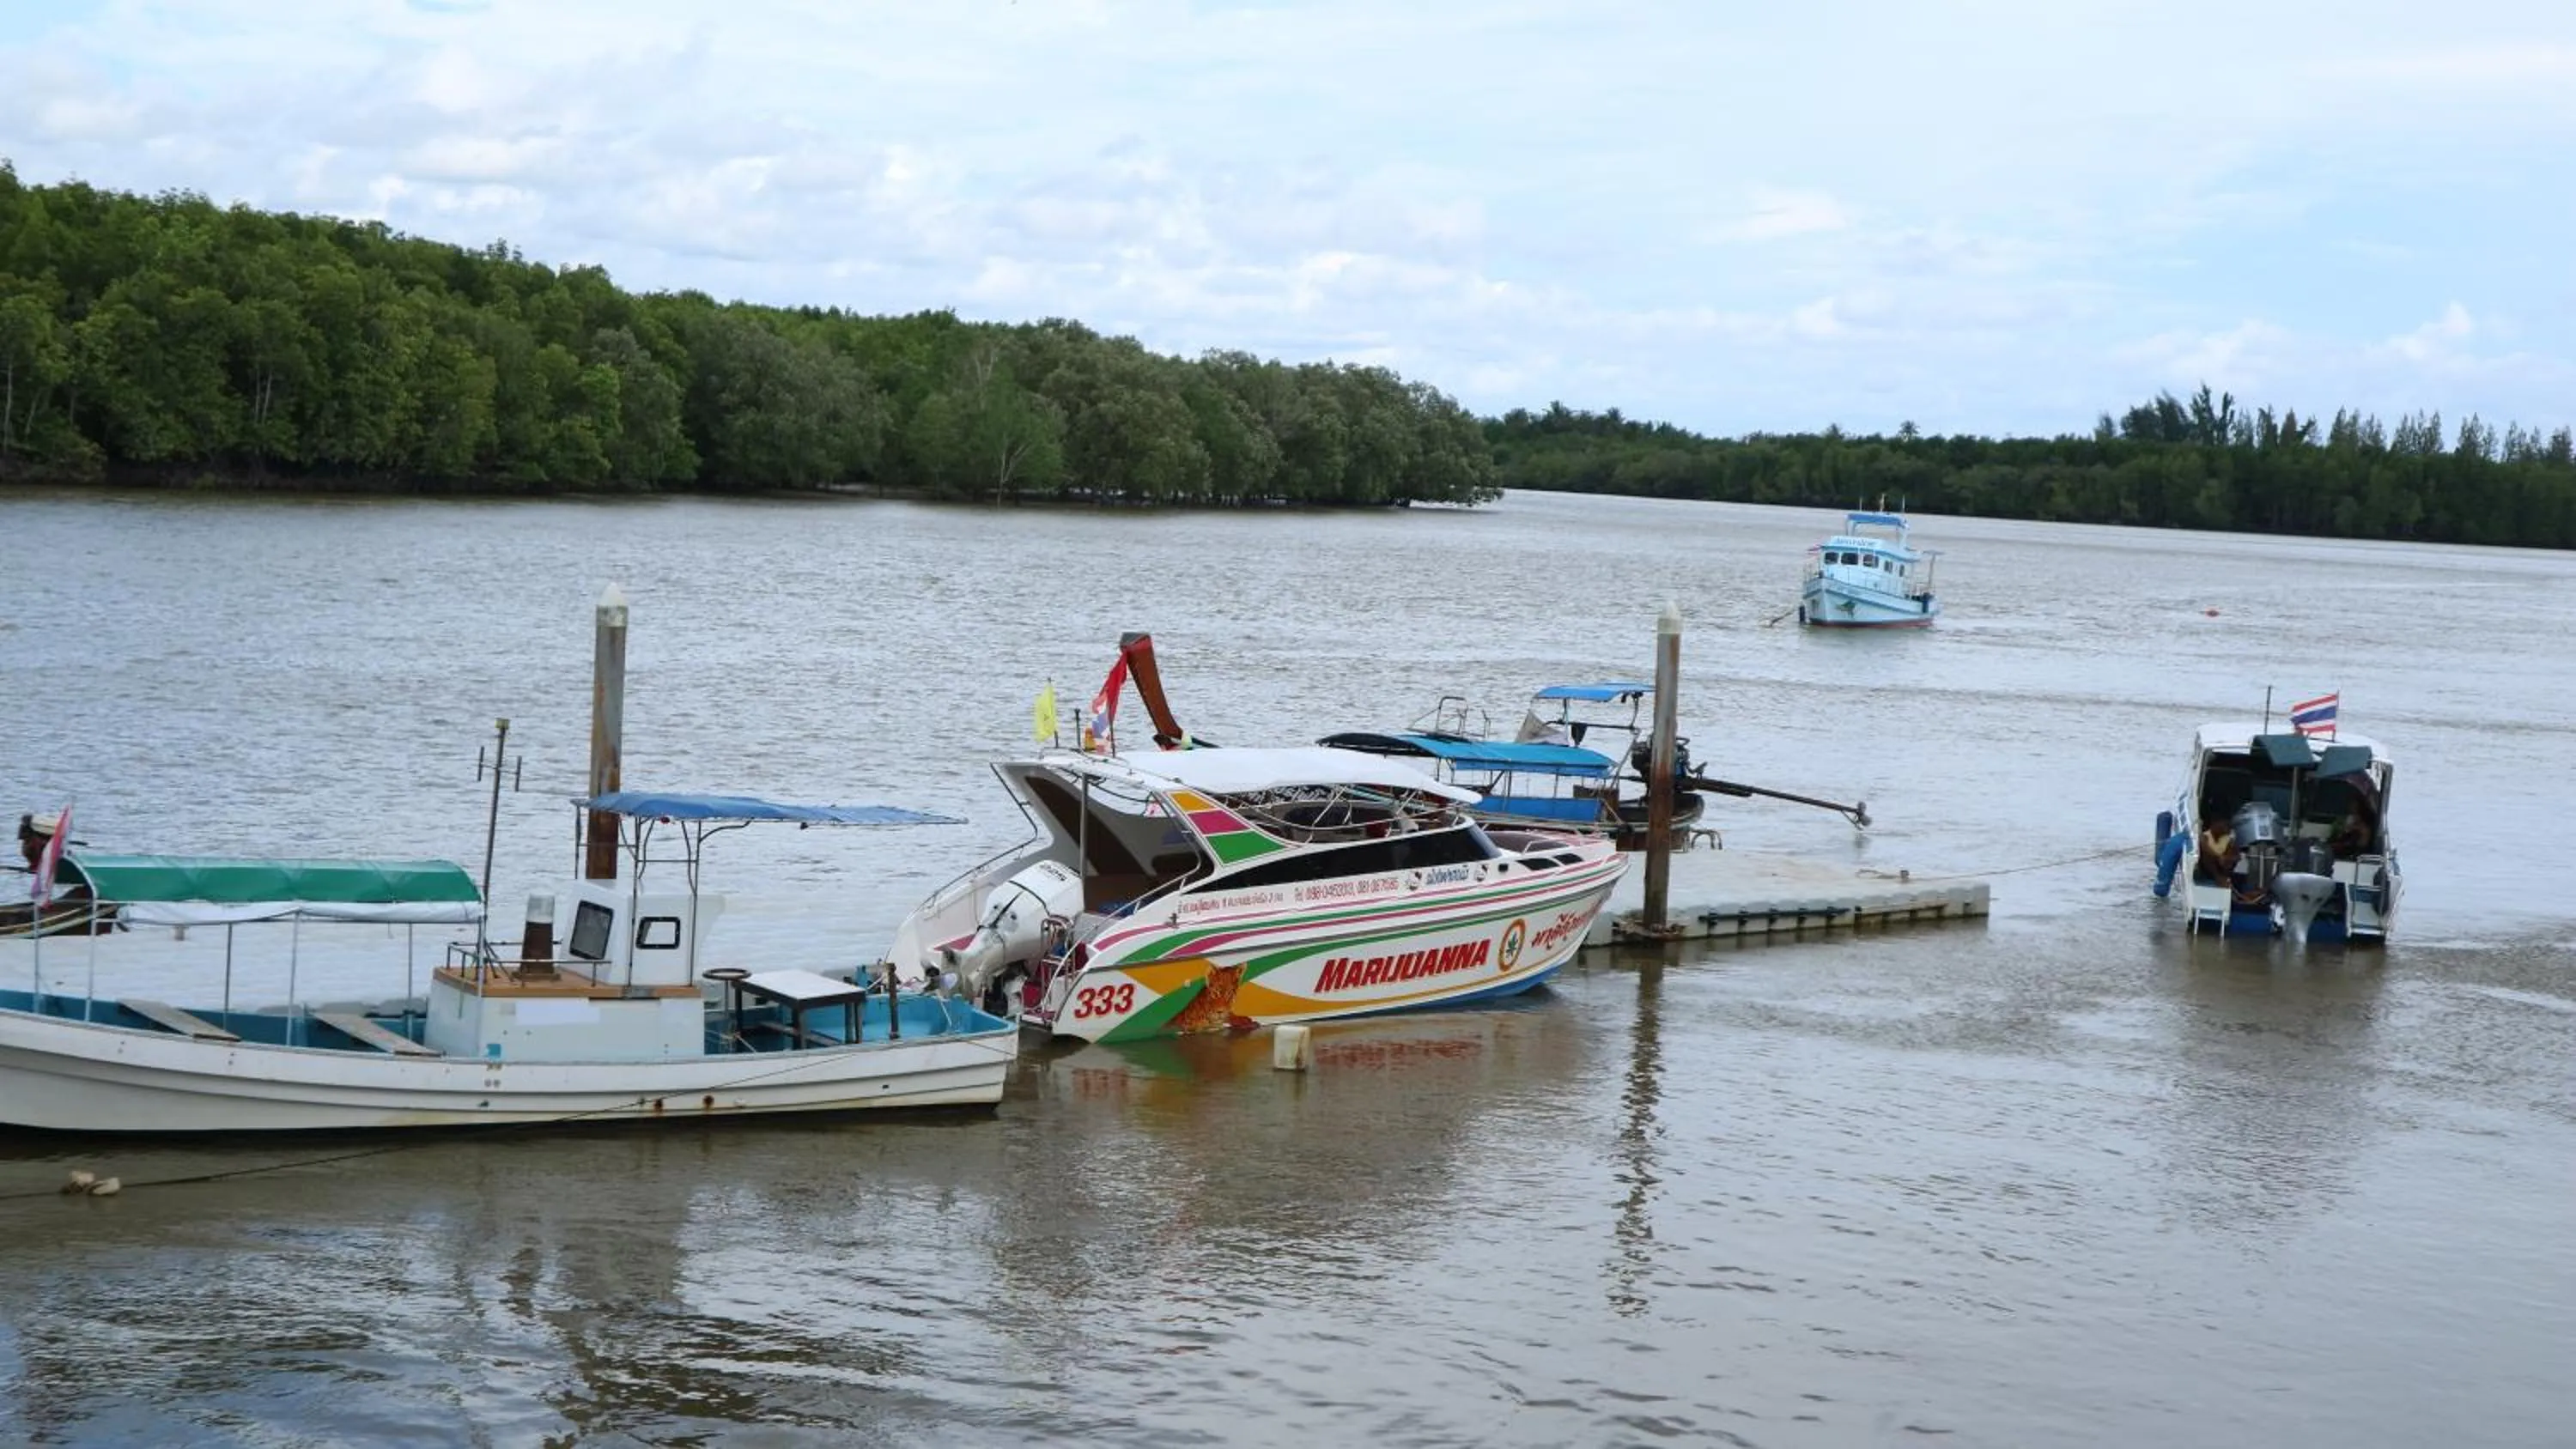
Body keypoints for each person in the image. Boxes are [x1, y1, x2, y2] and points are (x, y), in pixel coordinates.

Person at [2195, 804, 2239, 883]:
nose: (2227, 828)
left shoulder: (2227, 838)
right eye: (2225, 825)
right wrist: (2218, 857)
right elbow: (2204, 847)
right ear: (2214, 824)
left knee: (2231, 855)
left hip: (2222, 867)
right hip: (2208, 868)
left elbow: (2236, 855)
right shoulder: (2205, 836)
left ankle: (2225, 878)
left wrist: (2229, 858)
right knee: (2207, 856)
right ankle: (2217, 877)